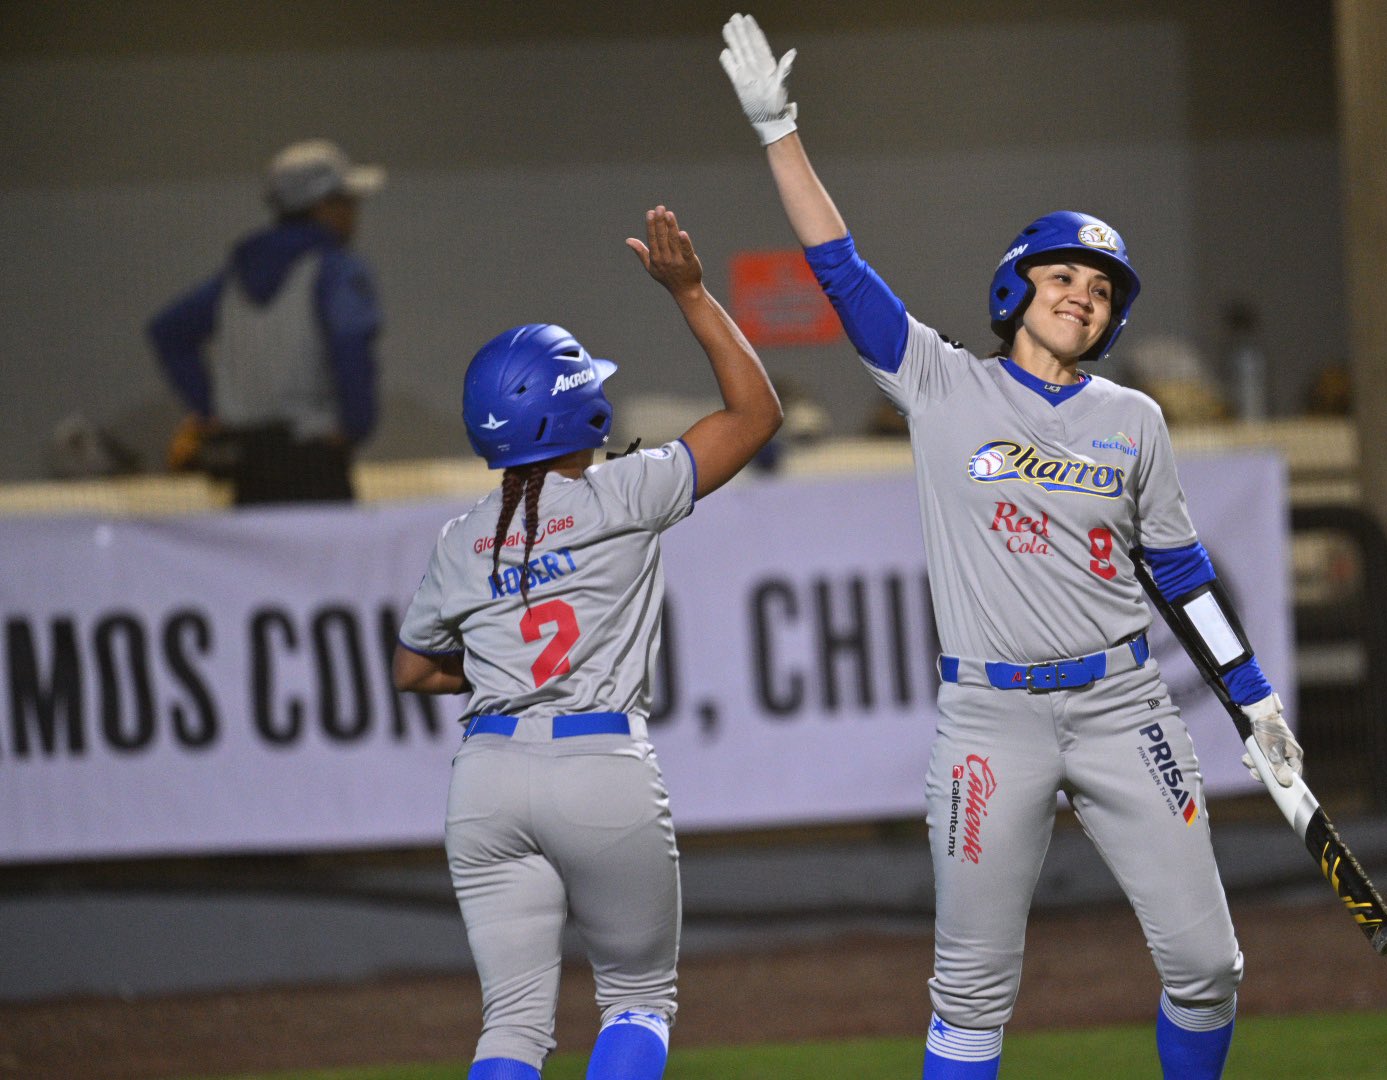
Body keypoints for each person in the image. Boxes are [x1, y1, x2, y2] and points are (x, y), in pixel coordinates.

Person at [718, 14, 1303, 1080]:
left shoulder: (1135, 421)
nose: (1084, 295)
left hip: (1128, 709)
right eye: (1064, 277)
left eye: (1102, 290)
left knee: (1209, 965)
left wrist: (1252, 693)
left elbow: (1180, 572)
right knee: (971, 993)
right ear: (1016, 287)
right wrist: (777, 130)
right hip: (991, 719)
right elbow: (841, 272)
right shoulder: (943, 385)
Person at [392, 206, 781, 1080]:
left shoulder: (462, 536)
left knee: (514, 1025)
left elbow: (411, 669)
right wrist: (689, 292)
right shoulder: (625, 494)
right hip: (598, 763)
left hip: (487, 774)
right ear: (585, 408)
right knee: (639, 997)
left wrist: (499, 672)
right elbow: (756, 413)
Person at [147, 138, 385, 505]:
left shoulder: (235, 281)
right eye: (346, 201)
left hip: (248, 466)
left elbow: (169, 333)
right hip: (315, 458)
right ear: (323, 206)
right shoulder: (335, 270)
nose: (354, 213)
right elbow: (351, 346)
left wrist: (213, 410)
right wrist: (355, 425)